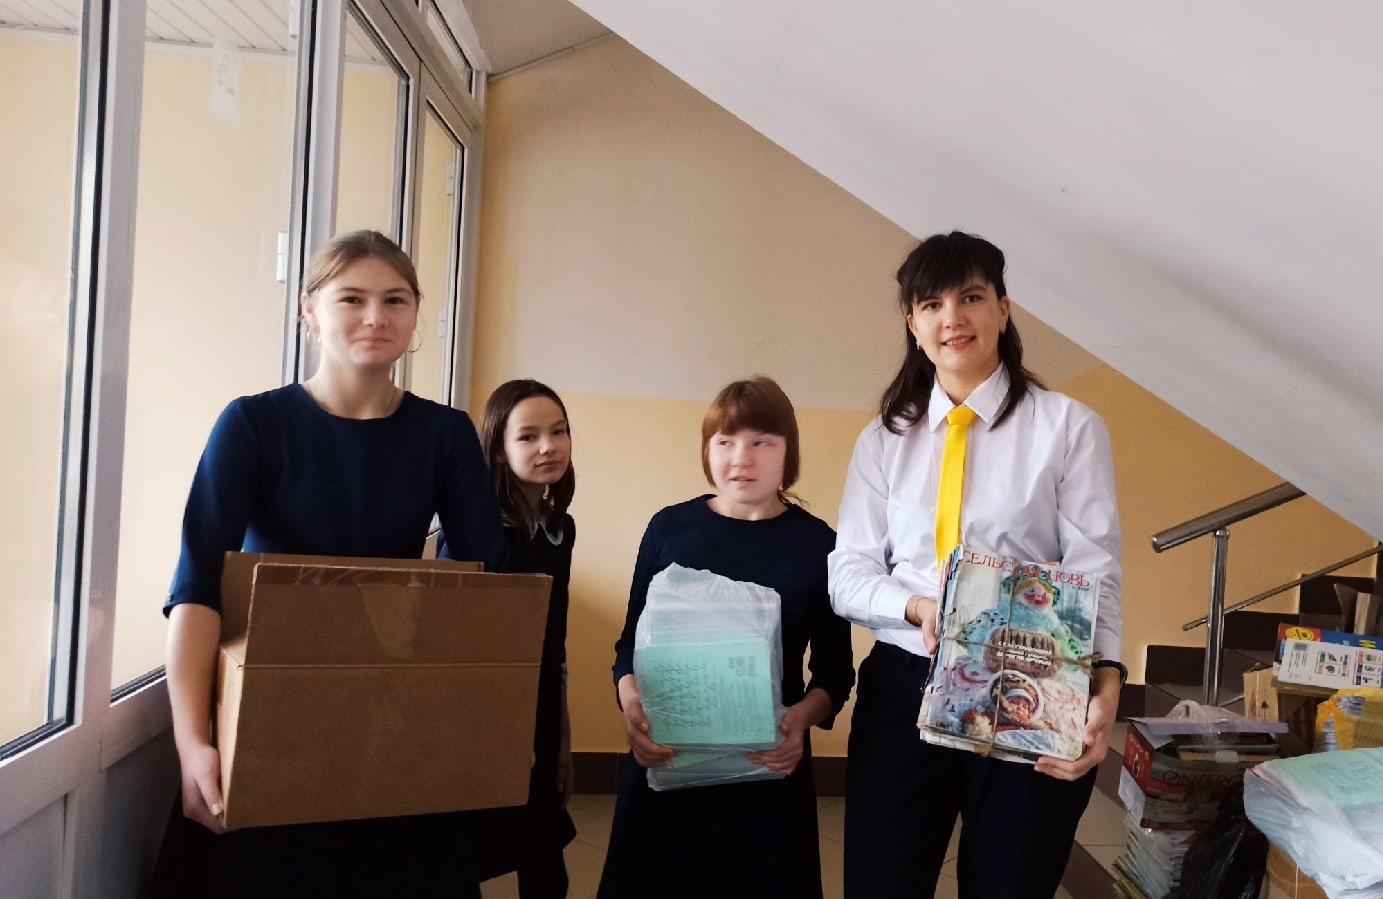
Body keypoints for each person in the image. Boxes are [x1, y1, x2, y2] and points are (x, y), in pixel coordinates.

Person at [148, 230, 507, 899]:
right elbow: (196, 587)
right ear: (310, 310)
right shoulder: (252, 423)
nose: (376, 316)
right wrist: (193, 743)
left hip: (395, 717)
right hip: (269, 717)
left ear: (416, 315)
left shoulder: (446, 433)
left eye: (395, 299)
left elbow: (480, 582)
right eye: (352, 298)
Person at [829, 231, 1126, 898]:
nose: (951, 318)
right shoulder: (884, 439)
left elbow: (1096, 571)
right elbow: (847, 574)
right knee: (881, 883)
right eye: (930, 304)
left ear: (1003, 309)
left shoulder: (1068, 427)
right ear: (913, 325)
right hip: (904, 684)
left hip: (1029, 677)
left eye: (970, 297)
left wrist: (1105, 683)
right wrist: (917, 608)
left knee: (1009, 883)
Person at [596, 376, 855, 899]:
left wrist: (799, 723)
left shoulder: (819, 545)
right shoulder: (669, 529)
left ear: (788, 452)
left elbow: (835, 672)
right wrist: (631, 706)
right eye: (725, 441)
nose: (742, 458)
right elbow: (628, 646)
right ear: (707, 449)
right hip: (670, 758)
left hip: (766, 770)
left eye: (762, 442)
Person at [462, 379, 580, 898]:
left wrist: (562, 731)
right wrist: (503, 731)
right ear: (498, 449)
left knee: (544, 854)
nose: (548, 447)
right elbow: (463, 648)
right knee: (471, 849)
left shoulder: (561, 528)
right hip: (485, 712)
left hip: (540, 703)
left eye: (559, 432)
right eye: (528, 436)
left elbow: (555, 638)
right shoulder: (477, 530)